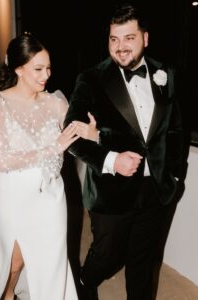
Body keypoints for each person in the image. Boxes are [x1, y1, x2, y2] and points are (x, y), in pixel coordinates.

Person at [64, 2, 186, 300]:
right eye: (113, 39)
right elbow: (70, 136)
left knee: (142, 265)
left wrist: (174, 175)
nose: (120, 47)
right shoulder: (90, 79)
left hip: (156, 188)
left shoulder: (164, 73)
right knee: (105, 259)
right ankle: (83, 280)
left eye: (128, 38)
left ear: (145, 38)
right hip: (110, 191)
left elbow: (176, 129)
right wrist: (111, 159)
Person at [0, 34, 97, 300]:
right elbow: (1, 160)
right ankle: (5, 295)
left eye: (48, 67)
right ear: (17, 68)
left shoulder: (55, 102)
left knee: (52, 262)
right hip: (13, 195)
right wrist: (53, 147)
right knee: (14, 262)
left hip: (51, 196)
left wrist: (94, 134)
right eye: (38, 69)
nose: (46, 75)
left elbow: (78, 135)